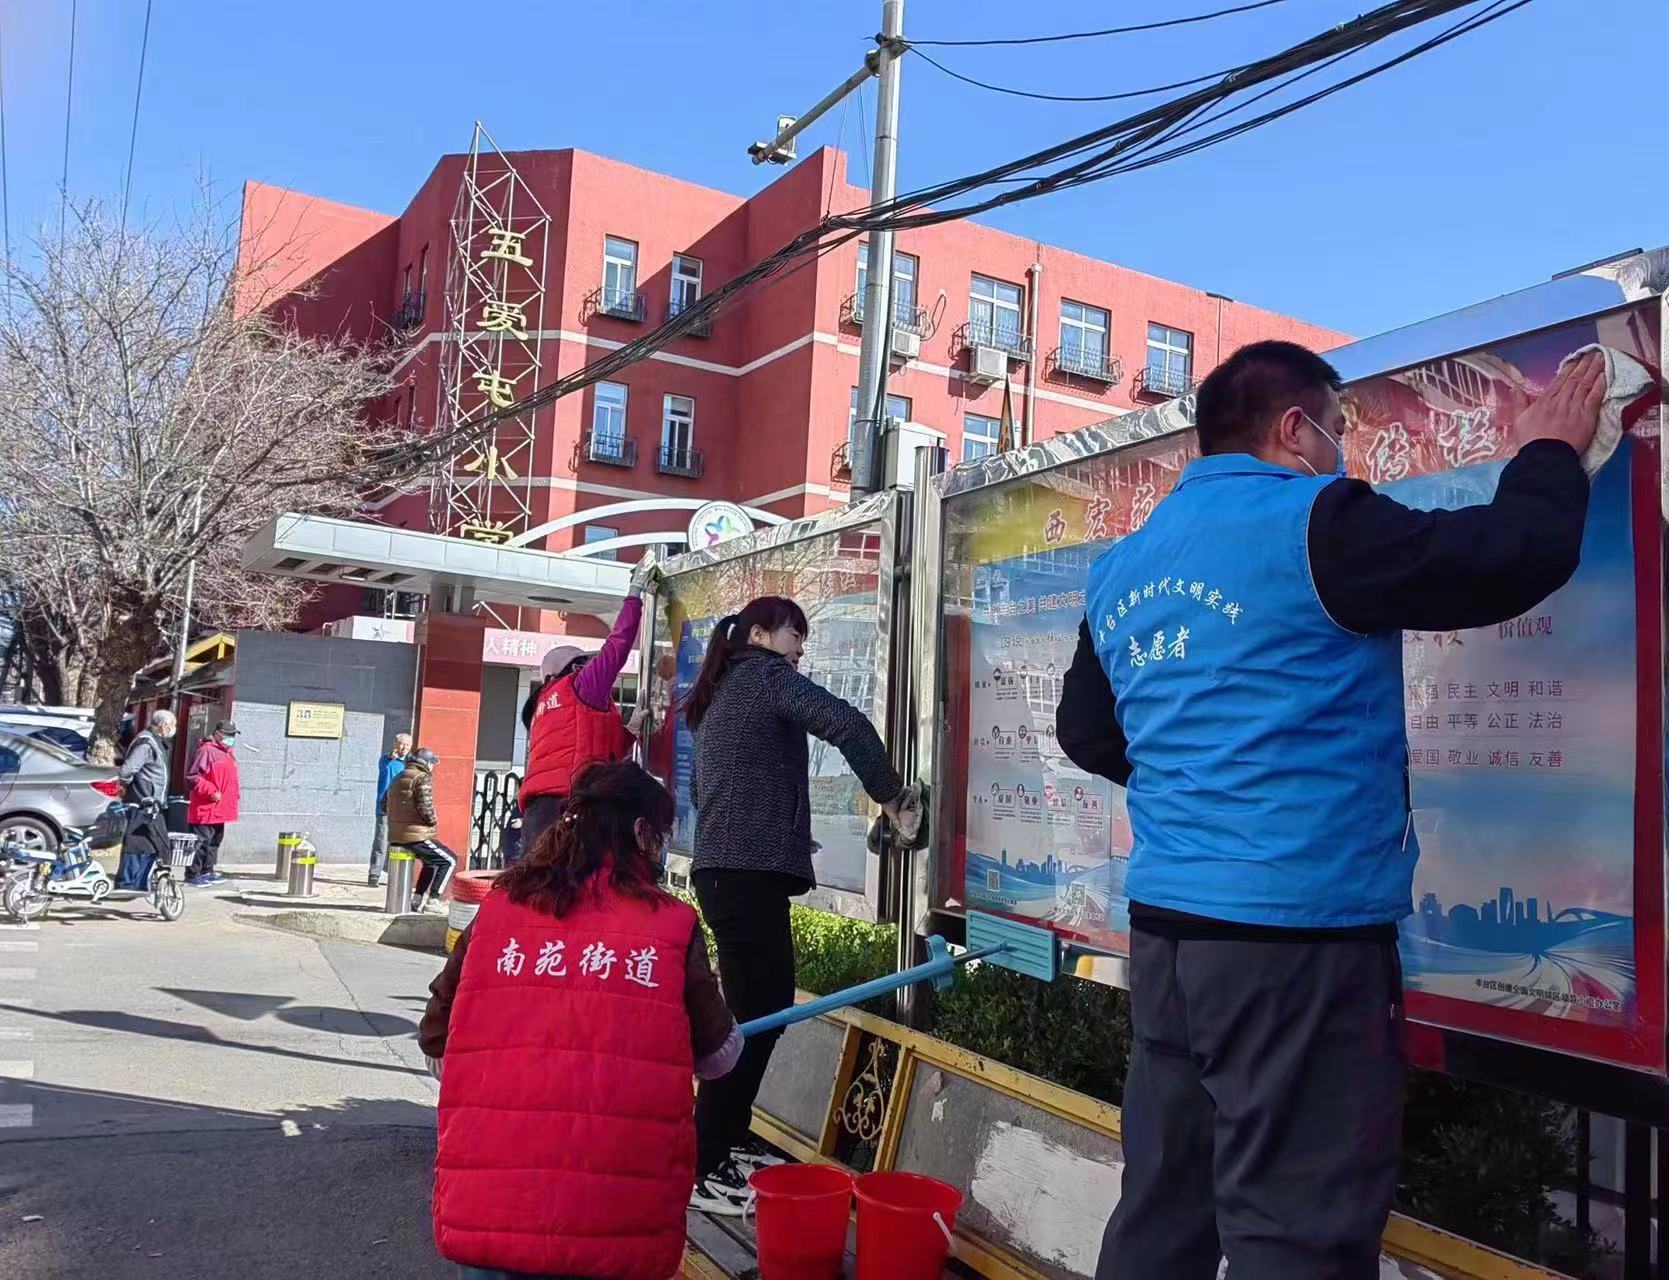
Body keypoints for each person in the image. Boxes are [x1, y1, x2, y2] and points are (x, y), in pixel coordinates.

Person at [1058, 340, 1607, 1280]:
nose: (1343, 452)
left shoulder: (1124, 568)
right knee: (1296, 1231)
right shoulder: (1315, 522)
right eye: (1337, 432)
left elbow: (1088, 731)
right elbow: (1511, 558)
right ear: (1291, 429)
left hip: (1169, 940)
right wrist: (1549, 452)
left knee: (1165, 1205)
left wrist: (1200, 777)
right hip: (1297, 943)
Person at [419, 761, 741, 1280]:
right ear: (642, 832)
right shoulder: (672, 926)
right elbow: (721, 1055)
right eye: (661, 833)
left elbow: (435, 1035)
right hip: (619, 1230)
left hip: (492, 1217)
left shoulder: (499, 908)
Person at [681, 595, 921, 1213]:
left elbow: (705, 787)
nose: (801, 648)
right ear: (760, 635)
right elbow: (846, 722)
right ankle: (706, 1161)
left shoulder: (721, 691)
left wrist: (780, 828)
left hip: (728, 871)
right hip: (744, 876)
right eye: (795, 635)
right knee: (757, 1014)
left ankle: (725, 1142)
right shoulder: (764, 677)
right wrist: (892, 797)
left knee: (758, 1009)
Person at [515, 556, 661, 865]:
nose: (591, 667)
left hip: (540, 813)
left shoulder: (545, 704)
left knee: (539, 892)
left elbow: (593, 751)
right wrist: (634, 593)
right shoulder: (579, 687)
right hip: (570, 810)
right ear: (573, 668)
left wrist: (630, 731)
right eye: (584, 662)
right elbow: (617, 647)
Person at [388, 747, 457, 912]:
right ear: (426, 763)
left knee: (430, 863)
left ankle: (416, 899)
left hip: (397, 834)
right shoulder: (421, 777)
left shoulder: (398, 776)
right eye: (432, 763)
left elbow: (385, 803)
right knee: (449, 860)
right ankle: (433, 901)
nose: (433, 767)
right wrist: (433, 821)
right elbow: (425, 807)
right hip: (415, 835)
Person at [186, 719, 241, 886]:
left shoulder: (227, 753)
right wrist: (211, 792)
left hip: (220, 808)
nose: (231, 738)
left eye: (233, 735)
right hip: (206, 807)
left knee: (214, 841)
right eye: (228, 735)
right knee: (200, 842)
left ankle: (207, 870)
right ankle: (193, 874)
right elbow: (193, 777)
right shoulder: (206, 751)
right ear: (218, 734)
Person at [368, 732, 413, 887]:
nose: (404, 747)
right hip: (385, 808)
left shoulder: (410, 764)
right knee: (381, 842)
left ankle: (395, 876)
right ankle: (374, 874)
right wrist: (390, 756)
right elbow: (386, 762)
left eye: (408, 745)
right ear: (395, 744)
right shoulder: (386, 760)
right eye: (402, 744)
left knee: (399, 845)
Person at [118, 710, 176, 808]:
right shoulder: (147, 742)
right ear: (163, 725)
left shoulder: (155, 740)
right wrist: (126, 785)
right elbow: (127, 770)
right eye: (172, 725)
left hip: (151, 801)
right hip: (144, 800)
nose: (173, 729)